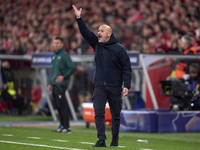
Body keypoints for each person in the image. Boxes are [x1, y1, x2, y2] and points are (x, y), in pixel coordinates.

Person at [73, 5, 132, 147]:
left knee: (115, 115)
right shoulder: (97, 44)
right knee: (98, 112)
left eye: (102, 31)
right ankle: (101, 139)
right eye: (98, 30)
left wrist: (127, 86)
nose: (98, 32)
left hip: (115, 86)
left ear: (109, 34)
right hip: (99, 85)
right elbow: (86, 32)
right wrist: (79, 18)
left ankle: (115, 140)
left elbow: (127, 68)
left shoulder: (120, 49)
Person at [47, 37, 76, 133]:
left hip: (61, 84)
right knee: (58, 105)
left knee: (62, 105)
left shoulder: (64, 55)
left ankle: (67, 127)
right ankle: (61, 125)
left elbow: (72, 68)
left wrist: (63, 77)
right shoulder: (54, 56)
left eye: (58, 43)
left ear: (62, 44)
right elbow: (53, 71)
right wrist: (50, 83)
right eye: (54, 43)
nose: (55, 44)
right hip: (54, 84)